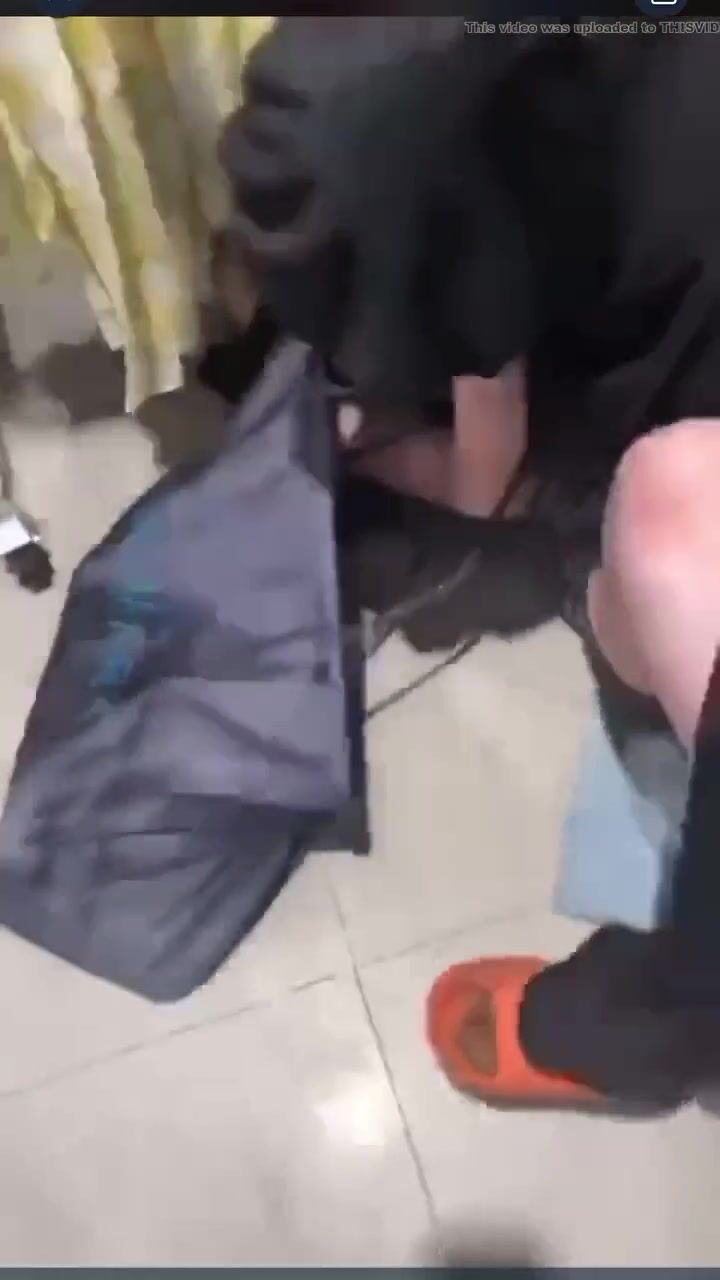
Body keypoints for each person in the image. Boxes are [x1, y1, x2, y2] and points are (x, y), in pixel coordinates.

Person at [222, 21, 720, 1105]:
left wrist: (380, 454)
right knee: (646, 537)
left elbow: (490, 478)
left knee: (643, 534)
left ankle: (645, 1030)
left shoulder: (396, 111)